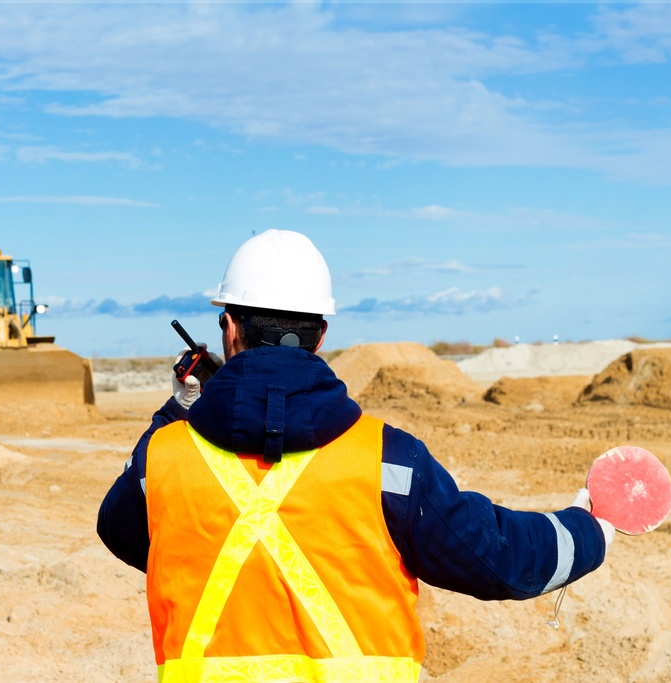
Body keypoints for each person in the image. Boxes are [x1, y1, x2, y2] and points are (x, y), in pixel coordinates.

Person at [98, 229, 614, 683]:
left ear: (229, 329)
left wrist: (178, 412)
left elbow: (125, 534)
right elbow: (501, 558)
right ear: (321, 336)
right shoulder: (390, 462)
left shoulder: (161, 460)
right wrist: (590, 529)